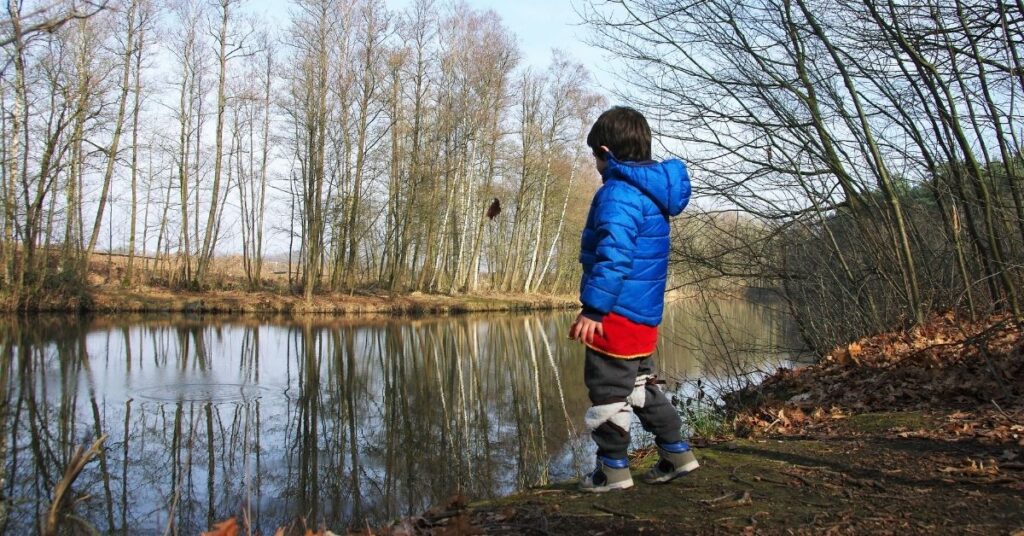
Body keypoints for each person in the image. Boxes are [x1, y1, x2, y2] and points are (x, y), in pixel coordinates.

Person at [569, 106, 697, 492]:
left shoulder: (618, 194)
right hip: (644, 315)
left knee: (608, 393)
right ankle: (677, 453)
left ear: (605, 152)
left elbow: (614, 254)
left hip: (616, 314)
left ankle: (613, 471)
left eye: (595, 156)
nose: (595, 164)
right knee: (641, 387)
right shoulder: (652, 194)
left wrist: (594, 309)